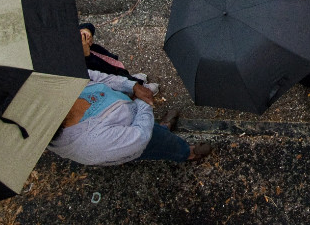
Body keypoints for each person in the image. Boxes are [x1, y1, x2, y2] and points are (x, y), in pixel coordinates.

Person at [48, 69, 211, 165]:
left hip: (133, 114)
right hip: (139, 136)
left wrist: (131, 86)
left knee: (154, 130)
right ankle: (187, 153)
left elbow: (93, 75)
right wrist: (143, 101)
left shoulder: (54, 84)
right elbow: (140, 137)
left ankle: (162, 128)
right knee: (163, 143)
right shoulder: (90, 142)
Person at [79, 22, 158, 95]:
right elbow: (105, 73)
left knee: (122, 72)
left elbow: (88, 26)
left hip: (107, 61)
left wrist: (86, 31)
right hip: (106, 73)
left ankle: (134, 80)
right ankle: (138, 89)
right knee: (120, 78)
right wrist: (87, 55)